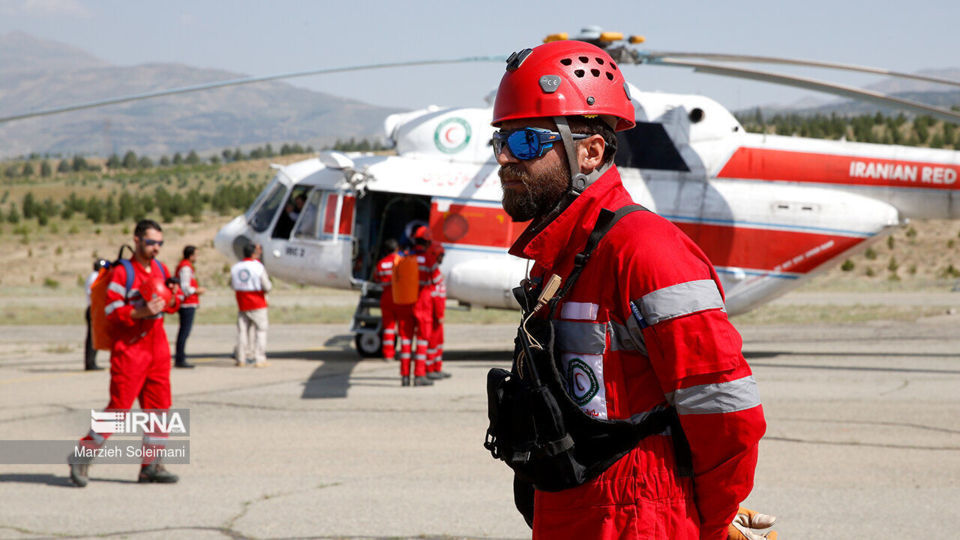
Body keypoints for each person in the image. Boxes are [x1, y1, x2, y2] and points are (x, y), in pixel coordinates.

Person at [489, 40, 771, 539]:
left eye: (527, 142)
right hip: (570, 517)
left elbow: (727, 414)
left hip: (637, 521)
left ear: (591, 150)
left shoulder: (645, 252)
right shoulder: (557, 261)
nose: (507, 159)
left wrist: (714, 519)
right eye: (501, 142)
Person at [69, 219, 181, 487]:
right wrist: (141, 312)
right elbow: (111, 311)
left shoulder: (161, 268)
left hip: (158, 349)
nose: (156, 248)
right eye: (151, 242)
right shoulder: (123, 272)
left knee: (160, 409)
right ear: (137, 240)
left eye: (160, 243)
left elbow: (171, 306)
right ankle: (82, 456)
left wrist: (174, 297)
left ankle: (151, 466)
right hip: (130, 350)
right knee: (118, 409)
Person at [230, 243, 271, 367]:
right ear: (253, 253)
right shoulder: (258, 267)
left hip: (242, 301)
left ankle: (241, 358)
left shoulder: (236, 267)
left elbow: (232, 284)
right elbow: (267, 285)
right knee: (261, 330)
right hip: (257, 301)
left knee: (242, 332)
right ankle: (259, 358)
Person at [174, 245, 206, 369]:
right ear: (191, 255)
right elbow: (185, 286)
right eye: (196, 254)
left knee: (184, 331)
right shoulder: (186, 267)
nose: (197, 257)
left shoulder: (186, 266)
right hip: (187, 303)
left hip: (188, 302)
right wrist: (197, 291)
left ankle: (180, 356)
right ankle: (180, 358)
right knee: (184, 331)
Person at [425, 243, 450, 380]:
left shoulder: (435, 271)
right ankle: (430, 369)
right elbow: (436, 296)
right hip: (434, 314)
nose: (442, 258)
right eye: (441, 255)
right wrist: (439, 314)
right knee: (433, 343)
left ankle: (436, 368)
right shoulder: (433, 273)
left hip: (437, 314)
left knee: (438, 342)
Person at [374, 239, 401, 362]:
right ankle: (404, 351)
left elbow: (377, 278)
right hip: (400, 297)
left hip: (386, 297)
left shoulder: (381, 263)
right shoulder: (401, 261)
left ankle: (388, 354)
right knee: (404, 327)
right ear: (396, 249)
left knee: (389, 327)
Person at [83, 259, 108, 371]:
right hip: (94, 308)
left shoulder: (92, 276)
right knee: (93, 337)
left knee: (93, 336)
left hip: (93, 308)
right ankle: (90, 363)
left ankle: (91, 362)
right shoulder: (95, 277)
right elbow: (95, 292)